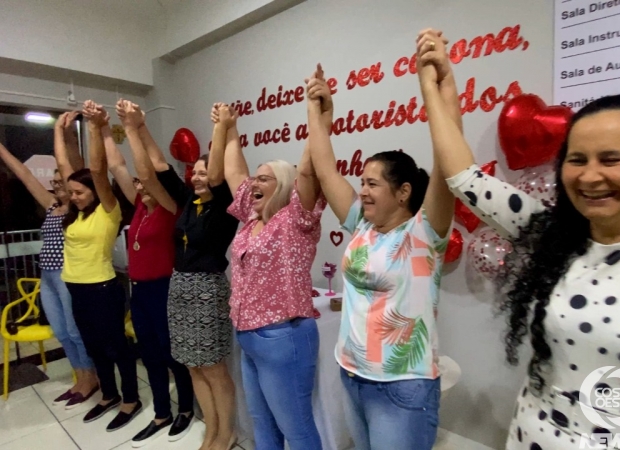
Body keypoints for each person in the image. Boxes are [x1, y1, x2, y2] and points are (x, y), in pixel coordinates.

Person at [417, 26, 620, 449]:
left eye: (612, 159)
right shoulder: (553, 235)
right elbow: (464, 177)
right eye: (577, 159)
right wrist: (437, 89)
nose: (590, 175)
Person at [306, 58, 455, 449]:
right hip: (352, 374)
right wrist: (317, 112)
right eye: (362, 183)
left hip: (403, 387)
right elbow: (324, 170)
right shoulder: (362, 225)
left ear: (403, 192)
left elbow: (447, 162)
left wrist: (439, 89)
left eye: (372, 184)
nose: (364, 191)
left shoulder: (424, 233)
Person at [216, 78, 326, 449]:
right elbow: (233, 173)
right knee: (262, 425)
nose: (253, 183)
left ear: (285, 185)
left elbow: (310, 170)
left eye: (264, 178)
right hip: (248, 338)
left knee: (295, 426)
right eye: (255, 177)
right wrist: (230, 128)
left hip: (284, 337)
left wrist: (319, 113)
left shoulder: (296, 218)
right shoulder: (251, 217)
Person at [99, 99, 195, 447]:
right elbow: (118, 166)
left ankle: (185, 408)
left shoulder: (172, 208)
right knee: (150, 354)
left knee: (171, 353)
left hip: (164, 289)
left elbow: (145, 169)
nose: (139, 185)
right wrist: (104, 129)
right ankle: (161, 412)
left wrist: (135, 125)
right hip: (139, 290)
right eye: (137, 183)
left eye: (145, 181)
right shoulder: (139, 204)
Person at [154, 109, 239, 450]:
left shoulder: (224, 203)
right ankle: (210, 430)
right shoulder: (189, 202)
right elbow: (159, 168)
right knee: (192, 366)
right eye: (196, 173)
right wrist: (137, 127)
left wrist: (221, 128)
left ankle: (226, 432)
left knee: (214, 368)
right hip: (180, 288)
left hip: (207, 289)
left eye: (205, 172)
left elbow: (219, 175)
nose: (200, 177)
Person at [0, 114, 97, 407]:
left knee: (75, 331)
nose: (55, 183)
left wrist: (64, 136)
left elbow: (74, 167)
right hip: (48, 277)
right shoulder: (52, 206)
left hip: (69, 276)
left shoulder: (78, 209)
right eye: (53, 180)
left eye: (59, 179)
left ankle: (91, 378)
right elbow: (26, 176)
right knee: (61, 332)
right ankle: (80, 377)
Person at [55, 101, 141, 431]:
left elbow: (96, 171)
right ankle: (108, 394)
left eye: (78, 192)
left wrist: (94, 128)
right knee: (93, 347)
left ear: (93, 191)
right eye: (70, 191)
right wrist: (58, 132)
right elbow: (66, 167)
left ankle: (131, 399)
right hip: (76, 287)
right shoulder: (77, 214)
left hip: (102, 288)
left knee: (116, 346)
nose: (72, 196)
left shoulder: (109, 210)